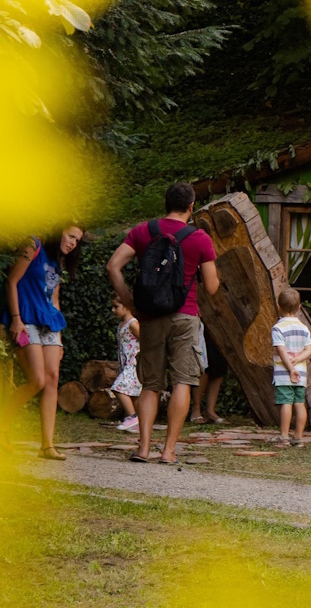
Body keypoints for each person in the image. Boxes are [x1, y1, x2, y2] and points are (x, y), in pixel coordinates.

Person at [107, 182, 220, 465]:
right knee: (183, 381)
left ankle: (143, 448)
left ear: (165, 203)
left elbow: (113, 266)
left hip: (150, 316)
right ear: (191, 206)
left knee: (151, 383)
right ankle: (168, 450)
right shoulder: (200, 238)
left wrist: (128, 300)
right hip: (185, 316)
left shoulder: (143, 231)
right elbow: (212, 286)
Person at [0, 224, 85, 460]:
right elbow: (11, 282)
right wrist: (15, 319)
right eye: (71, 236)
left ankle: (47, 445)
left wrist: (60, 338)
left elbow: (54, 299)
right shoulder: (33, 244)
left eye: (77, 240)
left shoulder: (58, 261)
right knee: (37, 379)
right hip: (25, 319)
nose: (74, 242)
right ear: (59, 231)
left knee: (52, 379)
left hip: (49, 323)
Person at [270, 288, 311, 447]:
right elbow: (309, 350)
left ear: (278, 306)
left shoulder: (278, 328)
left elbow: (281, 350)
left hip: (284, 374)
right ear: (299, 307)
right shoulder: (303, 328)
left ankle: (284, 436)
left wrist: (290, 367)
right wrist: (297, 361)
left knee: (286, 403)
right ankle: (299, 437)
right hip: (301, 373)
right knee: (299, 403)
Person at [111, 295, 142, 433]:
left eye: (116, 307)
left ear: (127, 307)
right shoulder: (121, 324)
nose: (113, 310)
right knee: (133, 395)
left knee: (118, 387)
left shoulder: (133, 324)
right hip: (125, 365)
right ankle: (137, 423)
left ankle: (133, 417)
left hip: (134, 365)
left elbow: (145, 340)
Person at [190, 323, 227, 425]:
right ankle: (196, 409)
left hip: (220, 321)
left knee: (219, 364)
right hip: (201, 320)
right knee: (203, 365)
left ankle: (210, 411)